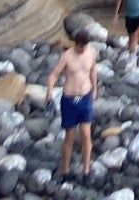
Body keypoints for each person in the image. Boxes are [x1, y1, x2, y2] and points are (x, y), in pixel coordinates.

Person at [44, 29, 98, 180]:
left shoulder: (91, 52)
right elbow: (54, 74)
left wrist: (95, 89)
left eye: (85, 46)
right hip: (69, 99)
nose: (83, 49)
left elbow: (93, 70)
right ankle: (65, 170)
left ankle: (86, 169)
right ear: (76, 44)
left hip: (85, 97)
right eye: (81, 46)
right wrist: (49, 90)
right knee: (70, 137)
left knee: (86, 135)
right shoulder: (67, 56)